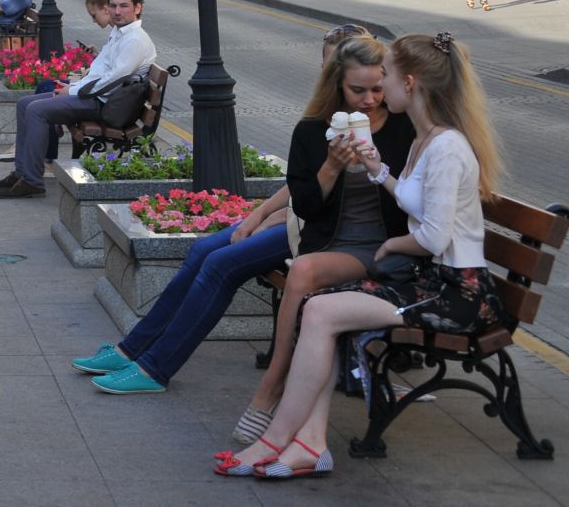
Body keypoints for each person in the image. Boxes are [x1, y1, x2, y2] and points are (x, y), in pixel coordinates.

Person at [78, 30, 414, 414]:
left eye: (376, 89)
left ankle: (154, 366)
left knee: (220, 262)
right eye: (358, 90)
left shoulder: (403, 127)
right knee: (205, 248)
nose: (369, 100)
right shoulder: (314, 129)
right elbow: (303, 196)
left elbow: (413, 196)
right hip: (315, 231)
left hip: (356, 243)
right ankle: (132, 349)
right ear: (334, 80)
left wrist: (270, 216)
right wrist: (320, 175)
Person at [216, 31, 504, 479]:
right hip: (430, 282)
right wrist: (378, 171)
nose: (378, 91)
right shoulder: (427, 140)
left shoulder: (446, 147)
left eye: (384, 77)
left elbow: (432, 237)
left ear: (410, 84)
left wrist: (392, 244)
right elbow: (411, 199)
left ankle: (273, 441)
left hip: (456, 293)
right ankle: (307, 443)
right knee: (319, 309)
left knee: (323, 312)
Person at [0, 0, 157, 198]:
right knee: (24, 104)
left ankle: (32, 181)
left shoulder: (134, 40)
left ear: (137, 8)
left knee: (36, 111)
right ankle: (22, 172)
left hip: (106, 105)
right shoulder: (121, 33)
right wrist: (71, 87)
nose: (117, 11)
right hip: (97, 97)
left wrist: (71, 91)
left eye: (124, 6)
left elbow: (111, 81)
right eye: (114, 6)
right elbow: (99, 73)